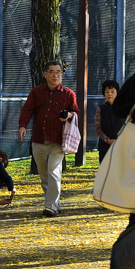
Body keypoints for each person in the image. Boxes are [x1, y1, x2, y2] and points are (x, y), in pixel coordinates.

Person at [18, 60, 79, 217]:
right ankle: (55, 202)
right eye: (51, 72)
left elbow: (77, 113)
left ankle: (50, 206)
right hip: (38, 140)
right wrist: (22, 126)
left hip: (58, 141)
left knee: (53, 172)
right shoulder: (36, 92)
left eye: (58, 72)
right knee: (44, 175)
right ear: (45, 74)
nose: (55, 75)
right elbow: (27, 110)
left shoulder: (68, 94)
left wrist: (69, 115)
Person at [95, 80, 121, 162]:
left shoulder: (124, 108)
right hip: (104, 147)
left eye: (112, 92)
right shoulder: (101, 109)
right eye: (107, 92)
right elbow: (98, 128)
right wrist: (108, 140)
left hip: (122, 145)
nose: (110, 94)